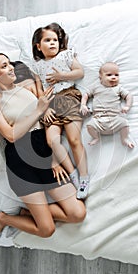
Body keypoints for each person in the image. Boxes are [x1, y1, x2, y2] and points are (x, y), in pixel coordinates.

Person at [0, 53, 86, 244]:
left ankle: (27, 212)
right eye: (5, 66)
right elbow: (11, 135)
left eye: (10, 64)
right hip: (20, 159)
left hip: (44, 151)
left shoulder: (28, 86)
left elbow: (48, 121)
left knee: (78, 213)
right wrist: (38, 110)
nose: (11, 68)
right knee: (46, 229)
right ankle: (4, 218)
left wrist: (55, 159)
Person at [31, 23, 90, 200]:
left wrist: (61, 76)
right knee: (52, 141)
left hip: (68, 97)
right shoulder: (37, 66)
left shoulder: (65, 55)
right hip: (51, 104)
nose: (52, 43)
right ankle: (73, 174)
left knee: (73, 139)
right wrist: (44, 108)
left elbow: (79, 72)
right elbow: (40, 89)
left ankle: (84, 178)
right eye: (47, 40)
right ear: (38, 46)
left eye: (55, 40)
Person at [80, 62, 134, 148]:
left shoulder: (118, 88)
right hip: (98, 119)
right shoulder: (95, 87)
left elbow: (129, 96)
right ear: (100, 76)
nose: (113, 77)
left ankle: (124, 138)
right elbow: (86, 95)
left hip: (115, 118)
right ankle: (96, 137)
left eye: (116, 75)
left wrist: (127, 106)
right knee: (89, 125)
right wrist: (83, 105)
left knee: (125, 123)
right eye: (109, 75)